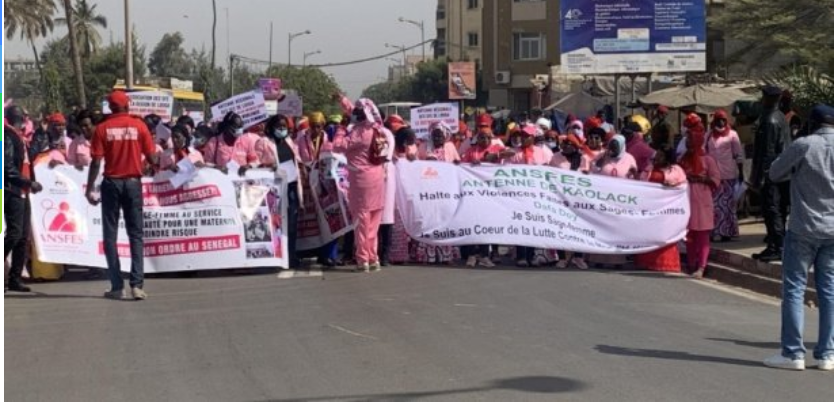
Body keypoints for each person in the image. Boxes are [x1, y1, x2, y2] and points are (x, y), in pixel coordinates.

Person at [763, 105, 834, 371]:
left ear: (812, 123)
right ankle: (827, 354)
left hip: (804, 226)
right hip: (833, 229)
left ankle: (793, 353)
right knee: (829, 291)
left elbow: (774, 173)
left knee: (794, 288)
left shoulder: (804, 144)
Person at [85, 91, 158, 300]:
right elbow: (152, 157)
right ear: (127, 105)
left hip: (111, 184)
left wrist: (89, 188)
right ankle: (137, 285)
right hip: (133, 184)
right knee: (136, 235)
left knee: (110, 235)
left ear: (110, 106)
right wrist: (157, 164)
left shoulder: (101, 128)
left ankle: (117, 286)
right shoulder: (139, 126)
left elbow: (96, 162)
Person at [344, 98, 389, 273]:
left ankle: (362, 259)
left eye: (355, 111)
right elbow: (356, 111)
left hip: (361, 181)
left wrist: (341, 131)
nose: (352, 112)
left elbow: (340, 146)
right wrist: (343, 101)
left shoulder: (358, 133)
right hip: (377, 178)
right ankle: (373, 258)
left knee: (361, 221)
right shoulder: (377, 128)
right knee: (374, 221)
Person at [750, 86, 792, 262]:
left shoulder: (770, 120)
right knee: (779, 210)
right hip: (783, 172)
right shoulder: (781, 117)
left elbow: (767, 152)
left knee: (771, 210)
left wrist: (761, 177)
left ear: (768, 98)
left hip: (772, 173)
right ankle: (776, 245)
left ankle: (777, 246)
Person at [4, 105, 44, 292]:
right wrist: (26, 182)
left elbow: (27, 160)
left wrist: (40, 135)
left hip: (22, 191)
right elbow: (8, 167)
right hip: (13, 190)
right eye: (24, 117)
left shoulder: (18, 136)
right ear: (17, 118)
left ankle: (15, 278)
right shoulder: (8, 136)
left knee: (22, 236)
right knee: (14, 233)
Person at [258, 114, 304, 269]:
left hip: (291, 188)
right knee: (275, 224)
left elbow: (296, 160)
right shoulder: (264, 143)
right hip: (274, 190)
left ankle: (291, 256)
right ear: (271, 128)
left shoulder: (289, 141)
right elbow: (255, 164)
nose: (282, 129)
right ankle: (276, 257)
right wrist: (268, 168)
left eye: (285, 126)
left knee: (291, 225)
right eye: (279, 127)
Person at [679, 114, 721, 279]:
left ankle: (701, 267)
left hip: (702, 202)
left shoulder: (708, 160)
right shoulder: (683, 160)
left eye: (690, 139)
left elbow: (716, 180)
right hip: (686, 201)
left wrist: (700, 178)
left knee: (702, 236)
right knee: (689, 236)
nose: (687, 142)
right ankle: (690, 264)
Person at [413, 121, 461, 265]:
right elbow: (414, 165)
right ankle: (428, 255)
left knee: (445, 221)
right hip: (428, 191)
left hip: (445, 191)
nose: (437, 138)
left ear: (446, 136)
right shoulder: (423, 147)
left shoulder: (450, 147)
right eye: (435, 135)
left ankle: (446, 255)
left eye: (440, 135)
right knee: (429, 221)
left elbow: (457, 164)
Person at [635, 146, 687, 272]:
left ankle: (666, 264)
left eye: (660, 155)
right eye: (656, 155)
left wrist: (673, 186)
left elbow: (684, 186)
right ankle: (647, 262)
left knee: (665, 236)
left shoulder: (676, 170)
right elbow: (641, 184)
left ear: (667, 157)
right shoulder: (649, 168)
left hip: (667, 211)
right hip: (651, 209)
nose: (656, 158)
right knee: (650, 235)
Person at [549, 133, 593, 269]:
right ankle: (562, 257)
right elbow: (550, 175)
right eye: (565, 143)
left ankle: (578, 257)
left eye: (570, 144)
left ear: (575, 146)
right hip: (560, 199)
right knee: (560, 226)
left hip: (577, 199)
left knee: (579, 228)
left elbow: (589, 178)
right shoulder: (556, 158)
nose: (566, 146)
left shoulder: (583, 159)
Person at [707, 109, 744, 242]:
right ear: (714, 121)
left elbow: (738, 155)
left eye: (723, 119)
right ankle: (715, 232)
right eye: (718, 119)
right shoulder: (709, 135)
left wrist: (741, 173)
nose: (721, 122)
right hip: (713, 176)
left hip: (728, 174)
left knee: (727, 204)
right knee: (715, 205)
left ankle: (728, 231)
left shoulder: (733, 135)